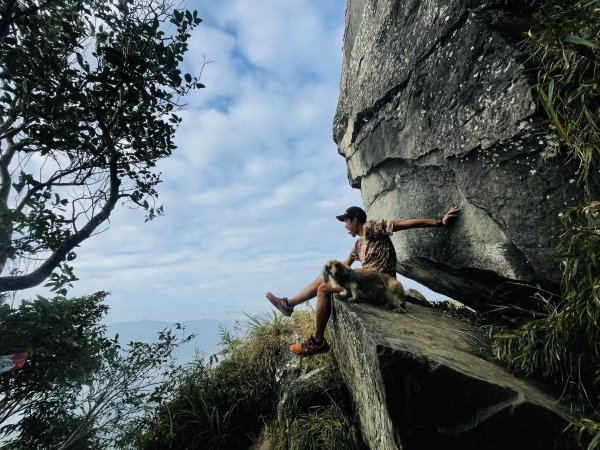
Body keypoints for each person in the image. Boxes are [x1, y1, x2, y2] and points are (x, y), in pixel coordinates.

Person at [266, 205, 459, 357]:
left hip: (380, 286)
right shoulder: (358, 244)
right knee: (325, 274)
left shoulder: (372, 228)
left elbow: (404, 223)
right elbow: (344, 265)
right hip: (364, 284)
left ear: (355, 220)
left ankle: (317, 341)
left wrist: (438, 222)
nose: (345, 226)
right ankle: (288, 304)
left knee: (324, 289)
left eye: (346, 222)